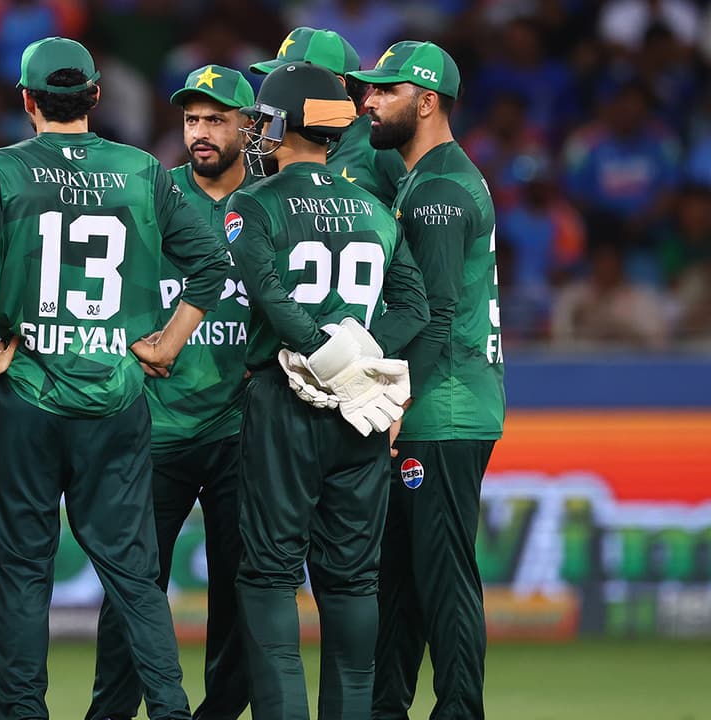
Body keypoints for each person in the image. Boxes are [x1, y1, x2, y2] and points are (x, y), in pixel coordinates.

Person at [0, 36, 229, 720]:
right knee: (134, 576)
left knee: (21, 572)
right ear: (96, 96)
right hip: (115, 398)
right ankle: (170, 711)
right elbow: (213, 264)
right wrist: (166, 344)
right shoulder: (141, 170)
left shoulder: (1, 170)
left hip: (28, 397)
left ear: (27, 100)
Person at [227, 60, 428, 719]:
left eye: (264, 119)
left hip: (285, 401)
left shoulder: (253, 202)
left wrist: (321, 352)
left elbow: (269, 294)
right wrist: (359, 356)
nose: (257, 131)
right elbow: (415, 308)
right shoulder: (375, 209)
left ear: (285, 123)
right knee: (351, 582)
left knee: (268, 575)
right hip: (360, 411)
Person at [87, 63, 254, 720]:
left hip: (240, 428)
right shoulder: (151, 194)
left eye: (216, 119)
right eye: (191, 120)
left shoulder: (269, 202)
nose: (201, 132)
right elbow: (100, 286)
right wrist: (131, 346)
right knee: (132, 590)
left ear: (248, 127)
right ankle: (110, 712)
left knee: (240, 594)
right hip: (154, 427)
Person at [351, 40, 505, 719]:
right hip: (439, 404)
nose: (369, 101)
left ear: (427, 102)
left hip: (441, 408)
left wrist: (393, 405)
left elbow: (435, 315)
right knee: (404, 581)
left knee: (441, 578)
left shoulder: (439, 191)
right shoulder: (427, 177)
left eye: (386, 91)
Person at [250, 26, 404, 206]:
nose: (277, 89)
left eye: (289, 80)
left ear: (337, 85)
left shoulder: (379, 148)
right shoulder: (276, 144)